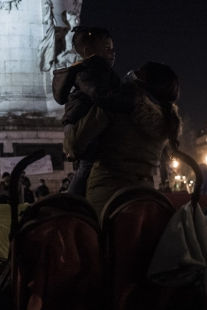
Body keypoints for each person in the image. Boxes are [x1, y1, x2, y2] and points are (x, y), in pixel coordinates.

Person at [65, 61, 181, 217]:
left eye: (139, 70)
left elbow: (75, 144)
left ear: (145, 79)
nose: (133, 71)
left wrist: (69, 129)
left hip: (107, 197)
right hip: (143, 197)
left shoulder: (115, 103)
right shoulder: (166, 121)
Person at [53, 26, 134, 197]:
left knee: (92, 166)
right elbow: (101, 96)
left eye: (112, 49)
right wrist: (129, 96)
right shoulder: (87, 73)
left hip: (87, 125)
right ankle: (70, 200)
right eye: (106, 49)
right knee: (87, 166)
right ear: (89, 51)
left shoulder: (100, 72)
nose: (112, 53)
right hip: (82, 126)